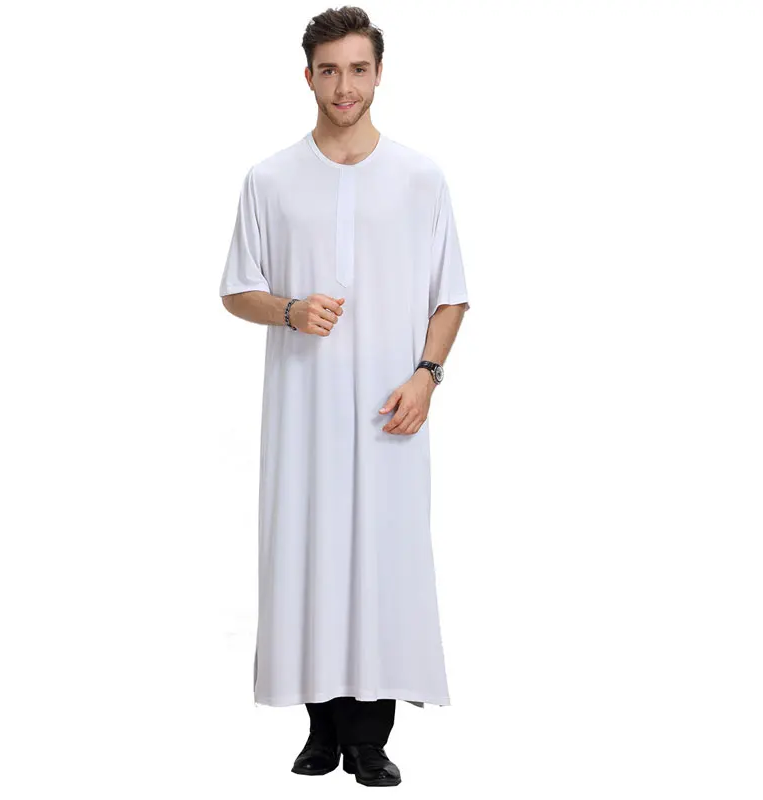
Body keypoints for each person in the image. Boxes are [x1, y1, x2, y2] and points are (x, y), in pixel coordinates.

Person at [219, 6, 470, 787]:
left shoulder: (420, 177)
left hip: (391, 410)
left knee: (384, 561)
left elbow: (450, 294)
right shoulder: (270, 179)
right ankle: (320, 730)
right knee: (309, 554)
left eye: (358, 69)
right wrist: (291, 310)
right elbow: (237, 289)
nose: (344, 86)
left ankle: (370, 739)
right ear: (308, 76)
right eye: (329, 70)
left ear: (379, 74)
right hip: (304, 409)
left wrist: (426, 376)